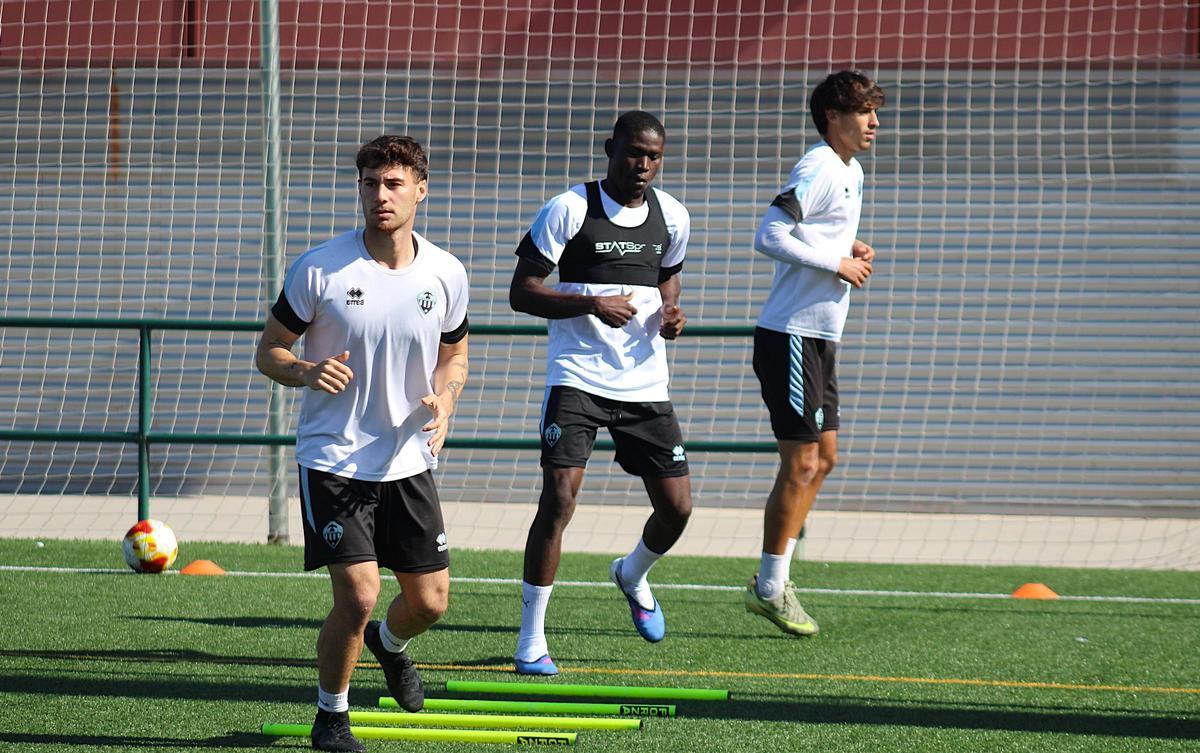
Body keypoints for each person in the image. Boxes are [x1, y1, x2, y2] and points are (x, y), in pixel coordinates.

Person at [255, 135, 469, 752]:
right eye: (371, 183)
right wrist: (304, 370)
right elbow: (269, 351)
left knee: (429, 602)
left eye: (394, 183)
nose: (381, 195)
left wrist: (446, 400)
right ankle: (332, 716)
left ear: (420, 190)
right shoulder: (320, 268)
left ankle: (390, 644)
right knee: (360, 594)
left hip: (408, 458)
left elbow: (455, 356)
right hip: (334, 458)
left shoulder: (446, 273)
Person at [509, 110, 692, 675]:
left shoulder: (673, 215)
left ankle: (632, 573)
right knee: (559, 500)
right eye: (634, 152)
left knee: (677, 508)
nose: (643, 165)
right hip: (578, 378)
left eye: (654, 156)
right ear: (611, 148)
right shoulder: (569, 208)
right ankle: (531, 641)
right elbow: (522, 292)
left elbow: (667, 275)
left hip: (644, 382)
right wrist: (590, 303)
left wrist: (671, 311)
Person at [744, 71, 885, 636]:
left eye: (875, 111)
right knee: (801, 463)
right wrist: (836, 262)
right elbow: (769, 235)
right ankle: (770, 585)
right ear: (833, 116)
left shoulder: (851, 171)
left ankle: (775, 578)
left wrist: (845, 245)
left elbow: (814, 232)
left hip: (821, 339)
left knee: (824, 460)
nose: (875, 123)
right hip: (791, 336)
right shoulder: (819, 165)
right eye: (864, 111)